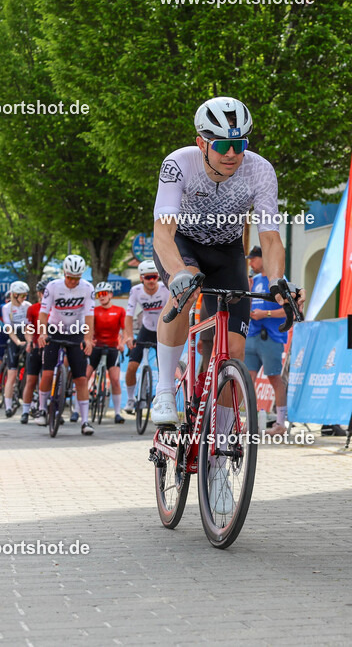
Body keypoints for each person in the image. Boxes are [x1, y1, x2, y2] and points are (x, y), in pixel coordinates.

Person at [150, 96, 302, 440]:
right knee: (184, 297)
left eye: (240, 144)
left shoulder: (260, 170)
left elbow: (271, 237)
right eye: (223, 145)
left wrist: (278, 281)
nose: (232, 153)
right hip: (182, 244)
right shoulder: (178, 164)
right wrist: (178, 274)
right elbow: (163, 233)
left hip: (227, 251)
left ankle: (219, 446)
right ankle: (162, 392)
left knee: (233, 352)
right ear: (201, 142)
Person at [35, 255, 96, 436]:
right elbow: (43, 312)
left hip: (76, 330)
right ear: (64, 273)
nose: (72, 282)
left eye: (76, 278)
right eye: (69, 277)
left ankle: (85, 421)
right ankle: (42, 409)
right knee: (47, 373)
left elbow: (89, 316)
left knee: (81, 379)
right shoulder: (53, 286)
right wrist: (42, 333)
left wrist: (88, 338)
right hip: (55, 329)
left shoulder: (87, 288)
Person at [243, 246, 290, 436]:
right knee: (247, 380)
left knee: (274, 378)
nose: (251, 263)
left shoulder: (278, 280)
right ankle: (249, 421)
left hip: (271, 337)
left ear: (264, 258)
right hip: (252, 335)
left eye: (254, 259)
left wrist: (266, 314)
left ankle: (280, 423)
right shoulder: (253, 281)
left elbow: (289, 310)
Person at [122, 261, 170, 416]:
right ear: (142, 278)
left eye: (154, 277)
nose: (151, 280)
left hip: (163, 329)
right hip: (146, 329)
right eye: (148, 277)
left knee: (165, 368)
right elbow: (128, 316)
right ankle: (130, 399)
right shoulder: (135, 291)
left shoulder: (165, 289)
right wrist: (129, 336)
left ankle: (163, 397)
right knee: (131, 367)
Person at [89, 281, 126, 422]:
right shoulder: (94, 311)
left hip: (112, 348)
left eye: (104, 293)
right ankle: (78, 412)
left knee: (115, 380)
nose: (101, 297)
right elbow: (90, 329)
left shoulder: (119, 311)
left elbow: (124, 330)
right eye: (99, 294)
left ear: (110, 294)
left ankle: (117, 413)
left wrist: (122, 344)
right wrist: (89, 341)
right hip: (97, 346)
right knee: (85, 375)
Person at [20, 280, 49, 424]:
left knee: (49, 379)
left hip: (51, 347)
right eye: (43, 292)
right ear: (39, 293)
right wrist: (30, 341)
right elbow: (28, 328)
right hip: (37, 346)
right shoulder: (33, 309)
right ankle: (25, 411)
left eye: (48, 292)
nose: (45, 295)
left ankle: (51, 409)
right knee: (31, 380)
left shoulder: (55, 308)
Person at [1, 281, 31, 418]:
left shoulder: (27, 306)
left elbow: (28, 327)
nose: (25, 298)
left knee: (31, 373)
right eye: (22, 296)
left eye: (26, 295)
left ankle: (30, 404)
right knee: (12, 374)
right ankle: (7, 406)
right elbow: (9, 328)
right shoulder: (6, 308)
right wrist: (18, 342)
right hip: (14, 337)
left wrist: (28, 341)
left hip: (26, 334)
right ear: (15, 295)